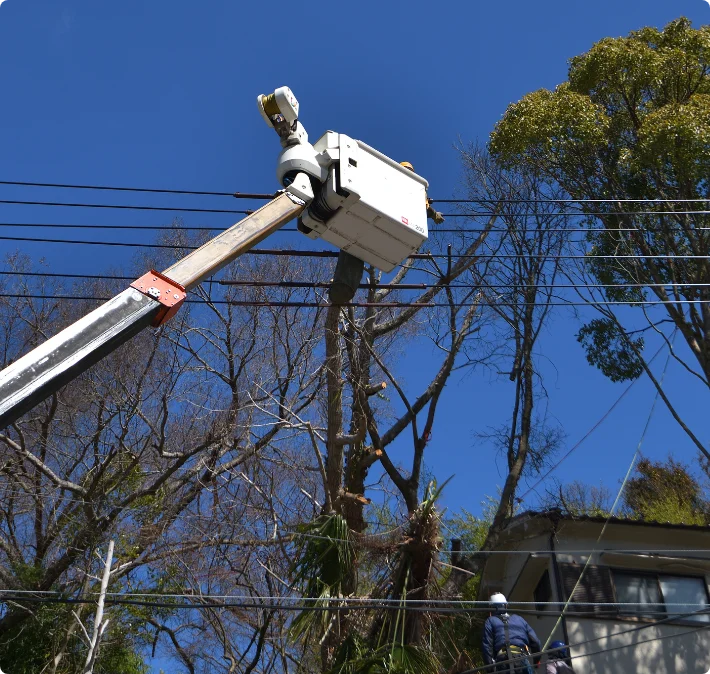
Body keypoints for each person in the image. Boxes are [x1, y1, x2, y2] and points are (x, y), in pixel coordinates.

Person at [482, 593, 541, 673]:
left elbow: (487, 647)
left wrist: (490, 669)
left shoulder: (490, 621)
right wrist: (536, 660)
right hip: (521, 659)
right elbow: (535, 642)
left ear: (492, 608)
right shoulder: (519, 619)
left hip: (503, 662)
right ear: (506, 606)